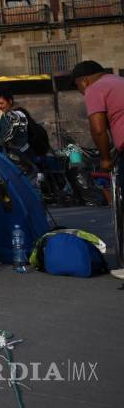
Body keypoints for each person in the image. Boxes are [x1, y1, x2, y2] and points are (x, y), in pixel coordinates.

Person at [71, 60, 124, 280]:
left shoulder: (95, 88)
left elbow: (98, 129)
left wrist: (104, 159)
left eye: (79, 87)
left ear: (84, 80)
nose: (82, 92)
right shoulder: (119, 81)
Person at [0, 91, 35, 173]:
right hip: (19, 151)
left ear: (10, 101)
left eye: (1, 103)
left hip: (22, 152)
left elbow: (10, 133)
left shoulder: (16, 115)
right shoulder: (6, 116)